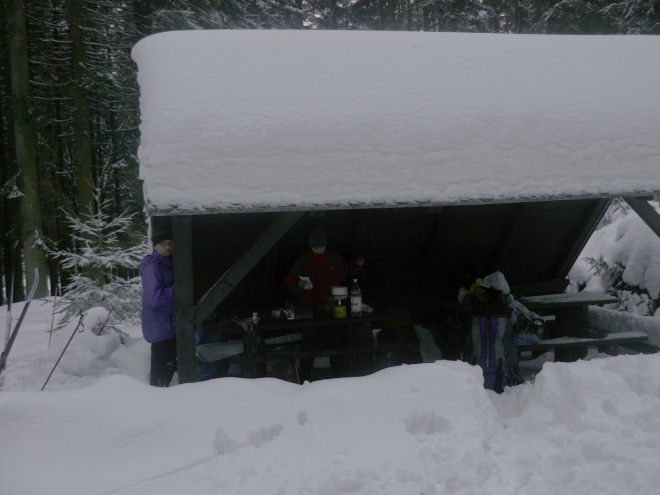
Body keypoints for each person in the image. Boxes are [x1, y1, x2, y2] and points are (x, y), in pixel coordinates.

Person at [285, 229, 364, 382]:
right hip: (309, 309)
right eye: (315, 247)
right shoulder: (302, 261)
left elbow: (347, 272)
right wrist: (299, 285)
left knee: (336, 341)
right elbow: (291, 282)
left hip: (333, 307)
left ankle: (339, 378)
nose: (319, 249)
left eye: (321, 246)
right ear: (310, 246)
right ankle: (305, 380)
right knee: (309, 345)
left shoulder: (334, 258)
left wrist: (357, 265)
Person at [140, 228, 176, 386]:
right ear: (155, 246)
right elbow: (155, 298)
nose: (167, 247)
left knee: (168, 364)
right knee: (161, 369)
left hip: (168, 324)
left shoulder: (168, 264)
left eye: (170, 243)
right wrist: (179, 288)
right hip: (160, 325)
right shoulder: (152, 268)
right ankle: (156, 398)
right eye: (163, 244)